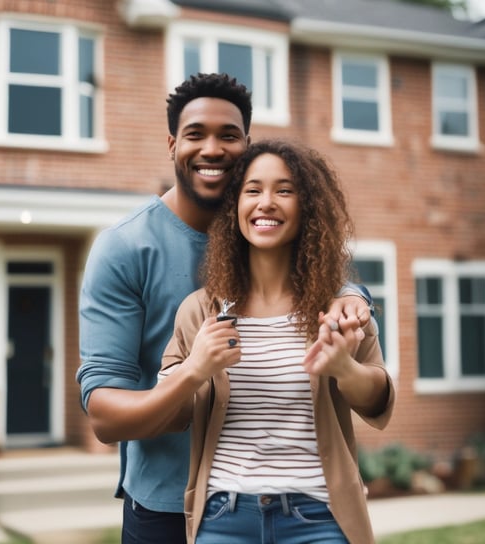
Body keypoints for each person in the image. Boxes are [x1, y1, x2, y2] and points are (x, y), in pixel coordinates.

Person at [76, 74, 374, 544]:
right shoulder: (124, 248)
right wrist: (193, 372)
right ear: (172, 144)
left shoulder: (267, 224)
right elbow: (105, 416)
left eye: (229, 136)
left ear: (248, 146)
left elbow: (320, 279)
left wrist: (354, 294)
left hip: (288, 506)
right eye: (196, 135)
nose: (212, 149)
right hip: (166, 505)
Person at [157, 139, 395, 543]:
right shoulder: (200, 311)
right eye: (253, 190)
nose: (266, 202)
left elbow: (379, 402)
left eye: (284, 190)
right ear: (234, 207)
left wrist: (344, 369)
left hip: (318, 519)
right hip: (223, 518)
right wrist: (195, 369)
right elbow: (169, 412)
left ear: (308, 208)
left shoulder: (338, 310)